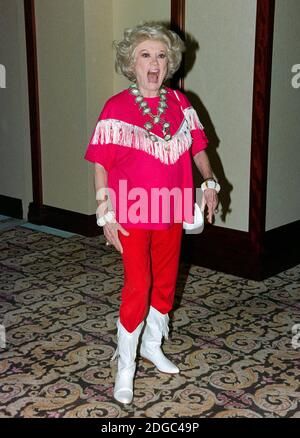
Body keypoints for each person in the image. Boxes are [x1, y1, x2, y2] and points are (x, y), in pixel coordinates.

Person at [84, 22, 219, 405]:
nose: (154, 63)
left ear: (170, 62)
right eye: (145, 55)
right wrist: (104, 212)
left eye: (161, 55)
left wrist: (209, 182)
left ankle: (152, 345)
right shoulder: (116, 107)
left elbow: (198, 148)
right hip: (131, 212)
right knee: (137, 286)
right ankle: (125, 364)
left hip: (172, 210)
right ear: (132, 62)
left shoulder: (180, 103)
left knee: (165, 284)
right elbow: (100, 162)